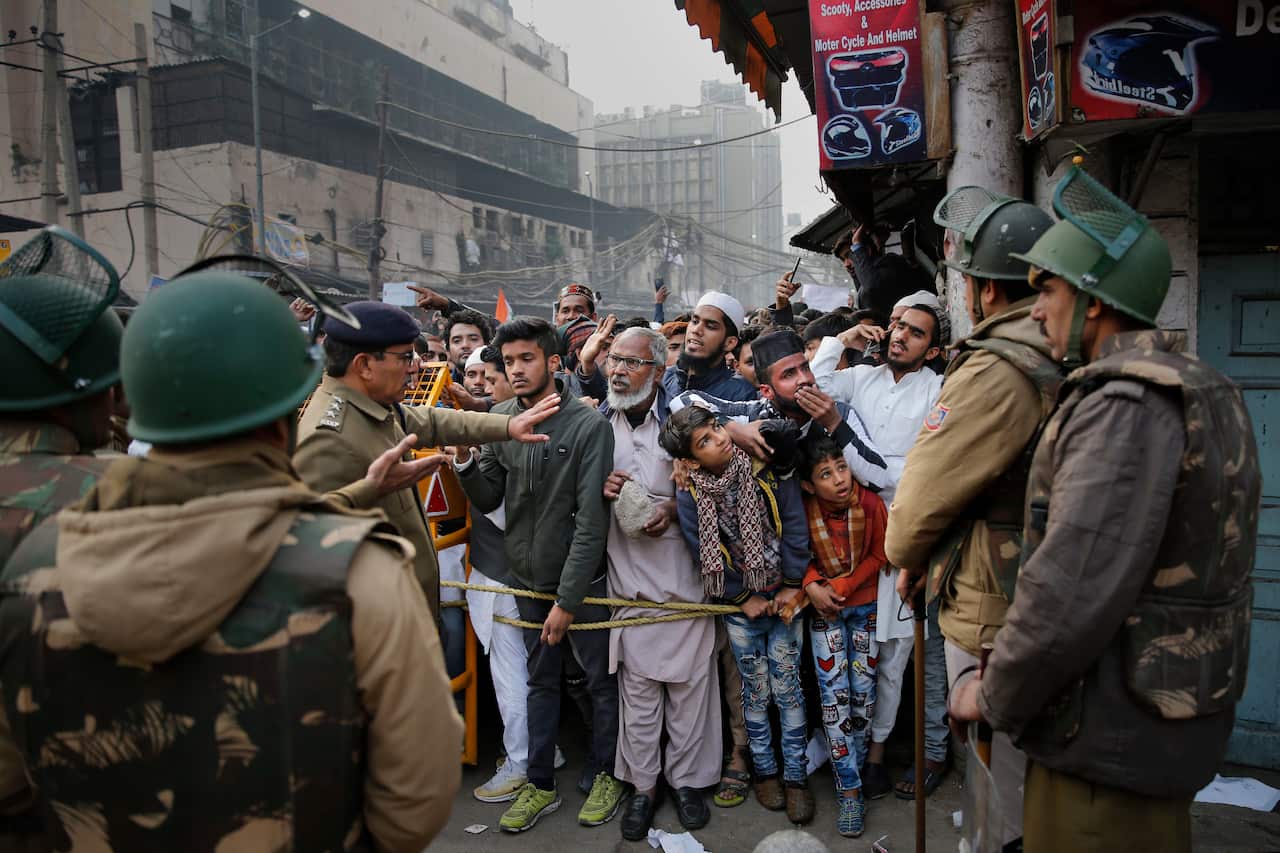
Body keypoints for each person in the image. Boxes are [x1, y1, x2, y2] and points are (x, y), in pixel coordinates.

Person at [0, 272, 464, 851]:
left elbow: (13, 784)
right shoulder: (357, 574)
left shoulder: (33, 566)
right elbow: (415, 804)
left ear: (129, 397)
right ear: (290, 400)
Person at [948, 167, 1260, 852]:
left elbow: (1070, 587)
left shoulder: (1125, 403)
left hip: (1106, 744)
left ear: (1093, 302)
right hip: (1147, 729)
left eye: (1050, 289)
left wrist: (991, 693)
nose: (1036, 309)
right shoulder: (1203, 386)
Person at [886, 188, 1058, 843]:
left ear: (984, 290)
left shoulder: (997, 365)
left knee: (1000, 797)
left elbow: (920, 501)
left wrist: (909, 556)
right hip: (1044, 595)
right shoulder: (1062, 347)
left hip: (996, 606)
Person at [453, 317, 623, 833]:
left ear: (553, 363)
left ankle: (608, 773)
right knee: (540, 683)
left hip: (581, 584)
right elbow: (488, 497)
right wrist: (463, 463)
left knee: (599, 681)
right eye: (509, 362)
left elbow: (593, 524)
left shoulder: (589, 425)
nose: (516, 369)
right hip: (525, 580)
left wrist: (568, 602)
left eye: (527, 359)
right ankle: (539, 784)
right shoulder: (502, 419)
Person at [294, 301, 558, 618]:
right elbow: (305, 541)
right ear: (364, 365)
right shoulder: (329, 435)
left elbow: (431, 422)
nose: (415, 366)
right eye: (405, 357)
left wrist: (508, 425)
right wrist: (370, 489)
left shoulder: (367, 403)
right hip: (376, 625)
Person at [816, 305, 947, 799]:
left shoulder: (936, 390)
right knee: (859, 654)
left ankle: (877, 754)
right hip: (853, 531)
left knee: (896, 655)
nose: (901, 337)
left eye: (916, 334)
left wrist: (845, 434)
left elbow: (902, 476)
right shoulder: (864, 376)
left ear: (932, 350)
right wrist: (842, 337)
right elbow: (818, 385)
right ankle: (853, 754)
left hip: (905, 533)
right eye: (899, 328)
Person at [661, 405, 814, 825]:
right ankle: (764, 771)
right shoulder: (689, 491)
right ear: (690, 461)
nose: (719, 437)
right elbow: (700, 551)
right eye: (706, 440)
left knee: (789, 689)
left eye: (715, 427)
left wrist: (791, 583)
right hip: (743, 608)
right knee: (754, 692)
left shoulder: (766, 468)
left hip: (783, 599)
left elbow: (795, 526)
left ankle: (796, 776)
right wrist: (742, 596)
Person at [600, 328, 721, 841]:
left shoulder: (682, 424)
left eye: (631, 361)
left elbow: (721, 489)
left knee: (692, 695)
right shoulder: (597, 425)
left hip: (684, 587)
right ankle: (644, 787)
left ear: (655, 369)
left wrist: (676, 506)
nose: (619, 370)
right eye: (613, 359)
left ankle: (688, 784)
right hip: (629, 589)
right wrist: (600, 489)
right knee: (640, 698)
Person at [798, 433, 888, 838]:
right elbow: (795, 554)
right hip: (825, 613)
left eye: (841, 467)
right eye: (825, 474)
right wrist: (813, 583)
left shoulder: (870, 504)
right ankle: (849, 790)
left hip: (864, 608)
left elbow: (881, 555)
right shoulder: (803, 510)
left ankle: (859, 766)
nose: (838, 479)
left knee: (862, 700)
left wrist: (847, 585)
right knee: (833, 699)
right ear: (808, 484)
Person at [662, 292, 756, 402]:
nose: (696, 330)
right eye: (695, 321)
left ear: (729, 342)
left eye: (710, 326)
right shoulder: (663, 378)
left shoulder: (740, 393)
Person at [445, 308, 492, 381]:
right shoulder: (440, 389)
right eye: (457, 341)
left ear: (487, 345)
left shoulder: (505, 387)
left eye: (473, 339)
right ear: (448, 349)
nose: (465, 345)